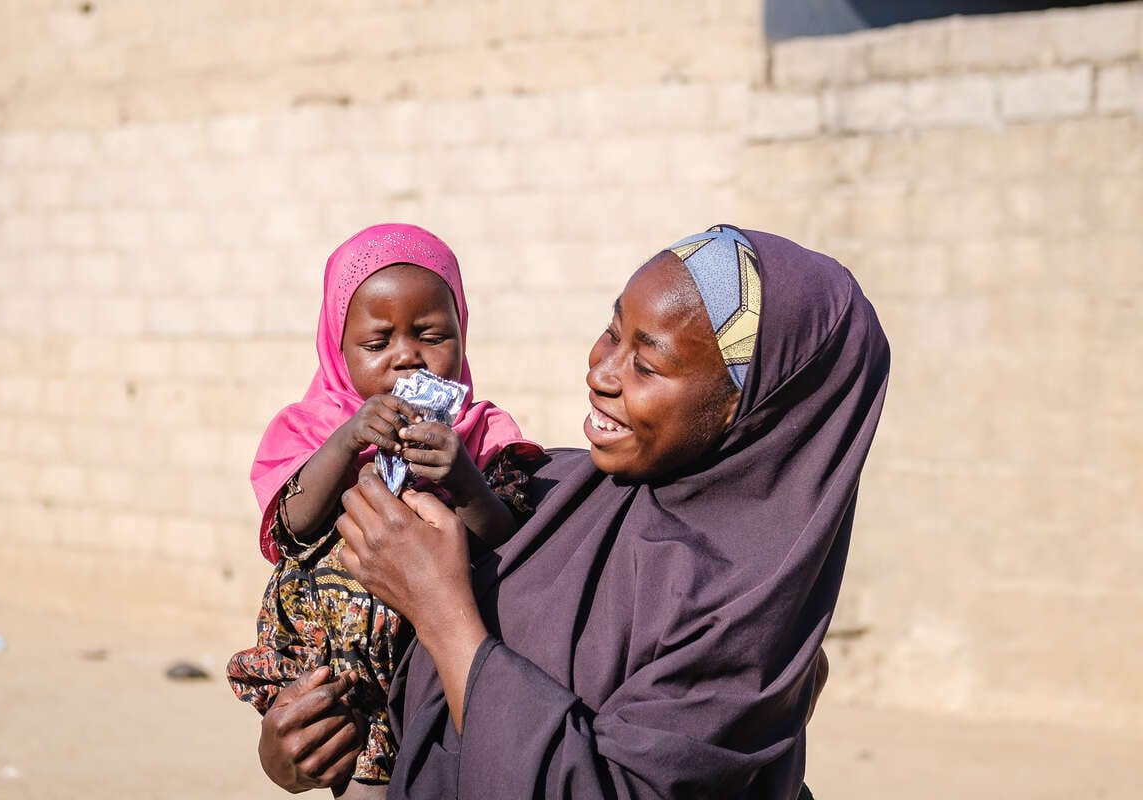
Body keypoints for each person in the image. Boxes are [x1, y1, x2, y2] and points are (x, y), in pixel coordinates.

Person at [257, 225, 890, 799]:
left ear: (750, 412)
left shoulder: (740, 623)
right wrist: (301, 744)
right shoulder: (545, 486)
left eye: (646, 363)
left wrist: (442, 612)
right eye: (613, 330)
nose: (601, 373)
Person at [227, 223, 541, 799]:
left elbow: (511, 540)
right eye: (377, 345)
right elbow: (289, 527)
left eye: (433, 335)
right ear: (336, 348)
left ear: (463, 334)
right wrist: (347, 440)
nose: (408, 358)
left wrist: (465, 479)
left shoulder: (483, 433)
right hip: (332, 671)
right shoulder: (310, 429)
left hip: (429, 664)